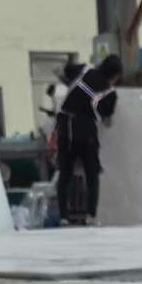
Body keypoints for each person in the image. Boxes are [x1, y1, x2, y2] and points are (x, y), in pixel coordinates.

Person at [56, 53, 122, 225]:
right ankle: (91, 216)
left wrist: (71, 86)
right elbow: (107, 120)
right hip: (85, 131)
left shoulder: (84, 70)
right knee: (92, 175)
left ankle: (63, 216)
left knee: (65, 174)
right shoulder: (110, 92)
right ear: (115, 75)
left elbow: (61, 71)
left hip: (65, 126)